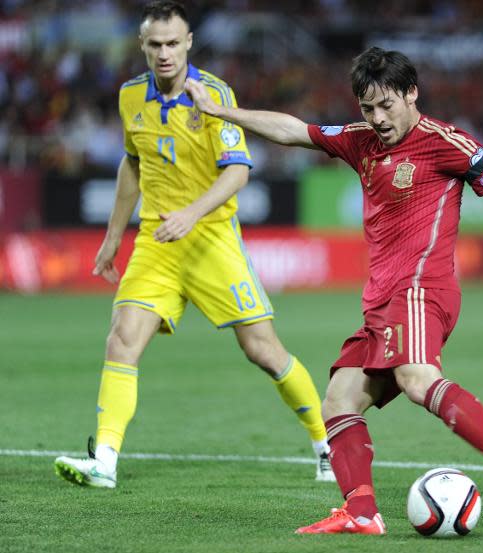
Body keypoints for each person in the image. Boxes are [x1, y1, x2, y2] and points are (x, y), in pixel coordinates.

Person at [185, 46, 483, 534]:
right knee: (338, 400)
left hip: (423, 288)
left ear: (411, 93)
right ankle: (361, 511)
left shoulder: (446, 142)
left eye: (386, 105)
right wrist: (219, 109)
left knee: (416, 378)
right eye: (367, 109)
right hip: (382, 300)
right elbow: (295, 130)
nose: (377, 118)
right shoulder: (359, 141)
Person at [53, 0, 335, 489]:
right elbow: (132, 164)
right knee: (121, 338)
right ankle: (105, 461)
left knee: (263, 351)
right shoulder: (129, 97)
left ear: (188, 44)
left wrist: (191, 213)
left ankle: (326, 444)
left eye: (172, 43)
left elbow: (238, 171)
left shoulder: (214, 95)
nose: (164, 53)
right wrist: (113, 237)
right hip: (157, 243)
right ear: (142, 46)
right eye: (155, 44)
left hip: (211, 240)